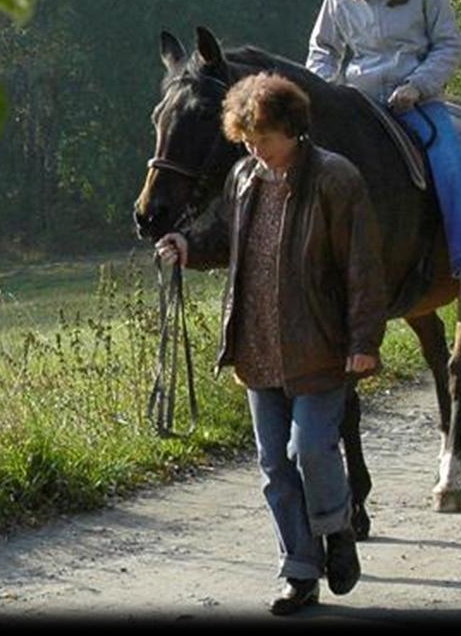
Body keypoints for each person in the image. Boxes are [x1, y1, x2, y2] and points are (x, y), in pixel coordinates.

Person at [154, 72, 386, 616]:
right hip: (257, 345)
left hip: (320, 346)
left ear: (292, 128)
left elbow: (363, 267)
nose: (254, 147)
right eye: (246, 137)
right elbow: (223, 238)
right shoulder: (243, 178)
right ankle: (299, 572)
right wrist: (186, 244)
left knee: (307, 449)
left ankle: (336, 530)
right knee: (273, 466)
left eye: (262, 136)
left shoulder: (335, 178)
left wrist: (364, 340)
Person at [306, 0, 461, 310]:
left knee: (449, 162)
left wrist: (418, 85)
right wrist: (328, 93)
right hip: (357, 101)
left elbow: (449, 45)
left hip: (415, 101)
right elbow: (322, 50)